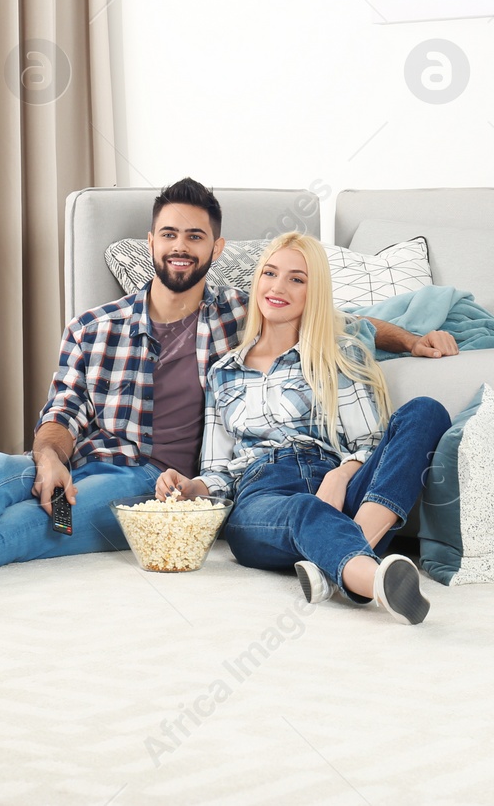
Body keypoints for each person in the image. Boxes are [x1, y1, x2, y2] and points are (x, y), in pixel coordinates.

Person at [0, 179, 458, 599]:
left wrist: (411, 340)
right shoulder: (92, 326)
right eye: (170, 233)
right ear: (151, 241)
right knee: (4, 468)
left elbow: (339, 319)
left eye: (196, 236)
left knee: (34, 530)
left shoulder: (243, 316)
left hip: (155, 489)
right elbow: (63, 409)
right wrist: (50, 457)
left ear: (216, 249)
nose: (181, 245)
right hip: (94, 461)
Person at [154, 232, 451, 625]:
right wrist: (193, 487)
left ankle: (334, 564)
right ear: (257, 280)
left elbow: (370, 443)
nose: (278, 287)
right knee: (303, 509)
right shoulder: (222, 372)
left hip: (342, 489)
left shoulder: (337, 353)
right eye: (270, 274)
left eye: (297, 279)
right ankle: (373, 578)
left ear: (315, 291)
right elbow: (218, 469)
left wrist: (341, 474)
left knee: (425, 412)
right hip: (264, 498)